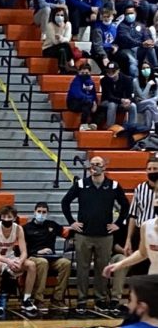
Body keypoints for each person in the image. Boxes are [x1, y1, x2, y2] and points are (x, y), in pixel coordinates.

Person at [62, 155, 131, 313]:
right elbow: (65, 202)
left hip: (105, 236)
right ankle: (81, 301)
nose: (94, 167)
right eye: (92, 164)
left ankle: (100, 300)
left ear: (104, 167)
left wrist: (118, 224)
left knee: (103, 269)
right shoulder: (80, 184)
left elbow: (125, 206)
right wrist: (72, 222)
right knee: (82, 269)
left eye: (97, 164)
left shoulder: (113, 185)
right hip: (83, 234)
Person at [0, 205, 38, 316]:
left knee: (31, 265)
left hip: (11, 257)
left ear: (14, 218)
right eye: (4, 216)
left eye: (9, 217)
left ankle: (26, 299)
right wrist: (8, 261)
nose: (6, 219)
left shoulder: (18, 229)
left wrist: (20, 261)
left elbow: (24, 252)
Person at [24, 201, 72, 312]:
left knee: (66, 263)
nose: (41, 214)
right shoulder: (26, 228)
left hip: (51, 257)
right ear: (34, 212)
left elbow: (68, 234)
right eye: (39, 211)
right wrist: (38, 251)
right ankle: (38, 299)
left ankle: (57, 298)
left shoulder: (52, 225)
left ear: (47, 213)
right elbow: (21, 248)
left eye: (44, 212)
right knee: (42, 262)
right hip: (33, 256)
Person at [117, 3, 158, 75]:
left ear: (135, 13)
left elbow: (146, 36)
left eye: (131, 13)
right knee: (133, 61)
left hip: (140, 48)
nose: (129, 15)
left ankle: (155, 70)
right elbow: (127, 39)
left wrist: (149, 41)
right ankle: (135, 81)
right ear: (124, 15)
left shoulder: (140, 25)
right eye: (127, 14)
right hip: (127, 49)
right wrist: (141, 43)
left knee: (150, 47)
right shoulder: (121, 26)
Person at [100, 61, 138, 126]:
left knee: (133, 106)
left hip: (121, 102)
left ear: (118, 71)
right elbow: (109, 96)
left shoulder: (127, 79)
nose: (111, 73)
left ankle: (132, 128)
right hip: (107, 101)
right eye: (109, 71)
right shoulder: (104, 80)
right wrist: (121, 100)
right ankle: (110, 127)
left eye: (113, 71)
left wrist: (129, 100)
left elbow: (131, 95)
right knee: (112, 104)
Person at [42, 7, 77, 74]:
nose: (59, 17)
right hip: (48, 49)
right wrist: (62, 39)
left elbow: (68, 38)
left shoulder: (68, 24)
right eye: (57, 15)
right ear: (53, 15)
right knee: (65, 45)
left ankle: (62, 70)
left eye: (61, 15)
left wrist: (60, 38)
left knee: (62, 50)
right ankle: (71, 61)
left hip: (62, 48)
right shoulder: (50, 25)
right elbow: (54, 42)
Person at [67, 61, 100, 131]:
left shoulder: (91, 82)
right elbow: (77, 94)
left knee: (100, 107)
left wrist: (95, 102)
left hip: (87, 102)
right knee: (87, 103)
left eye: (87, 73)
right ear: (79, 72)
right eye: (82, 73)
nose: (84, 75)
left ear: (90, 73)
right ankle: (83, 124)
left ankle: (93, 123)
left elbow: (94, 94)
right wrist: (91, 100)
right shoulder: (76, 81)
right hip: (73, 103)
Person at [91, 6, 121, 71]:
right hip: (100, 52)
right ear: (101, 17)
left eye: (108, 16)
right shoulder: (97, 29)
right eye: (104, 17)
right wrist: (104, 56)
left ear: (112, 17)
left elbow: (117, 41)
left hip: (111, 51)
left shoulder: (114, 27)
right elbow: (98, 45)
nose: (106, 19)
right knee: (107, 66)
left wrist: (116, 46)